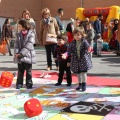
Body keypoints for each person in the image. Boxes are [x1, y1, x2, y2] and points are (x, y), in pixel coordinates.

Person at [62, 27, 92, 91]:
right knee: (78, 73)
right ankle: (80, 84)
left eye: (78, 35)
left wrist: (89, 49)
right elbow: (69, 50)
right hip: (76, 60)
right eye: (75, 35)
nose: (76, 36)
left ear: (82, 35)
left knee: (83, 73)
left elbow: (88, 47)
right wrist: (65, 54)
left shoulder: (84, 41)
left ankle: (84, 84)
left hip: (83, 60)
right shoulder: (73, 43)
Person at [14, 19, 37, 89]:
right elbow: (16, 44)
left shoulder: (31, 34)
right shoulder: (18, 34)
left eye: (20, 26)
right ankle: (19, 83)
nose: (19, 28)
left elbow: (29, 45)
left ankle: (29, 83)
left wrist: (21, 53)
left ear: (24, 26)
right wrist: (17, 53)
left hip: (28, 55)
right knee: (20, 70)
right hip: (20, 56)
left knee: (28, 71)